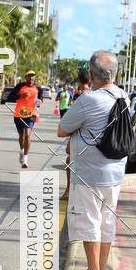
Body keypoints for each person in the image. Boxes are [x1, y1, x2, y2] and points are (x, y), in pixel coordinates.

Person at [57, 50, 128, 270]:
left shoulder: (89, 100)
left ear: (91, 74)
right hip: (115, 174)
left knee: (90, 222)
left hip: (90, 174)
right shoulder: (123, 96)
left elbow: (62, 129)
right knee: (107, 222)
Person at [61, 69, 91, 200]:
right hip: (91, 134)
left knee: (69, 157)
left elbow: (71, 120)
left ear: (79, 80)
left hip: (79, 132)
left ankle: (68, 190)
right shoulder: (92, 94)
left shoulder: (81, 97)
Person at [6, 70, 43, 169]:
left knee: (27, 135)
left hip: (31, 115)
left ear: (34, 77)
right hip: (19, 115)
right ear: (25, 77)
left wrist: (40, 102)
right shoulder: (20, 86)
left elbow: (40, 99)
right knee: (21, 137)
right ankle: (22, 151)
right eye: (29, 76)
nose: (31, 78)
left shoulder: (38, 88)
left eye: (32, 76)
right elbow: (10, 97)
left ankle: (25, 160)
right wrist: (20, 96)